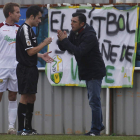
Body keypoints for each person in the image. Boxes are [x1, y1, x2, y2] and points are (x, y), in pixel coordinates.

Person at [57, 13, 106, 136]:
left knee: (94, 101)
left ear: (82, 24)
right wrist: (61, 40)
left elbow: (79, 52)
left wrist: (65, 40)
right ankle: (99, 125)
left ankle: (95, 130)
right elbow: (68, 48)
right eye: (71, 20)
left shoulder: (89, 36)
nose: (71, 23)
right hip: (87, 71)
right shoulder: (75, 32)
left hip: (94, 71)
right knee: (94, 100)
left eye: (74, 22)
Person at [16, 5, 53, 135]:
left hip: (31, 67)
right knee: (25, 96)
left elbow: (28, 51)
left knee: (32, 97)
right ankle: (21, 129)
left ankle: (28, 127)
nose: (39, 21)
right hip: (25, 68)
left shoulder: (30, 30)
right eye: (38, 18)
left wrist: (41, 55)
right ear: (31, 17)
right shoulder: (25, 30)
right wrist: (44, 43)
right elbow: (30, 51)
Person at [0, 2, 21, 135]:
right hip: (1, 68)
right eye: (17, 12)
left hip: (15, 68)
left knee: (13, 96)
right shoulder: (0, 27)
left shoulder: (20, 29)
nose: (19, 15)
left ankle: (11, 127)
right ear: (10, 14)